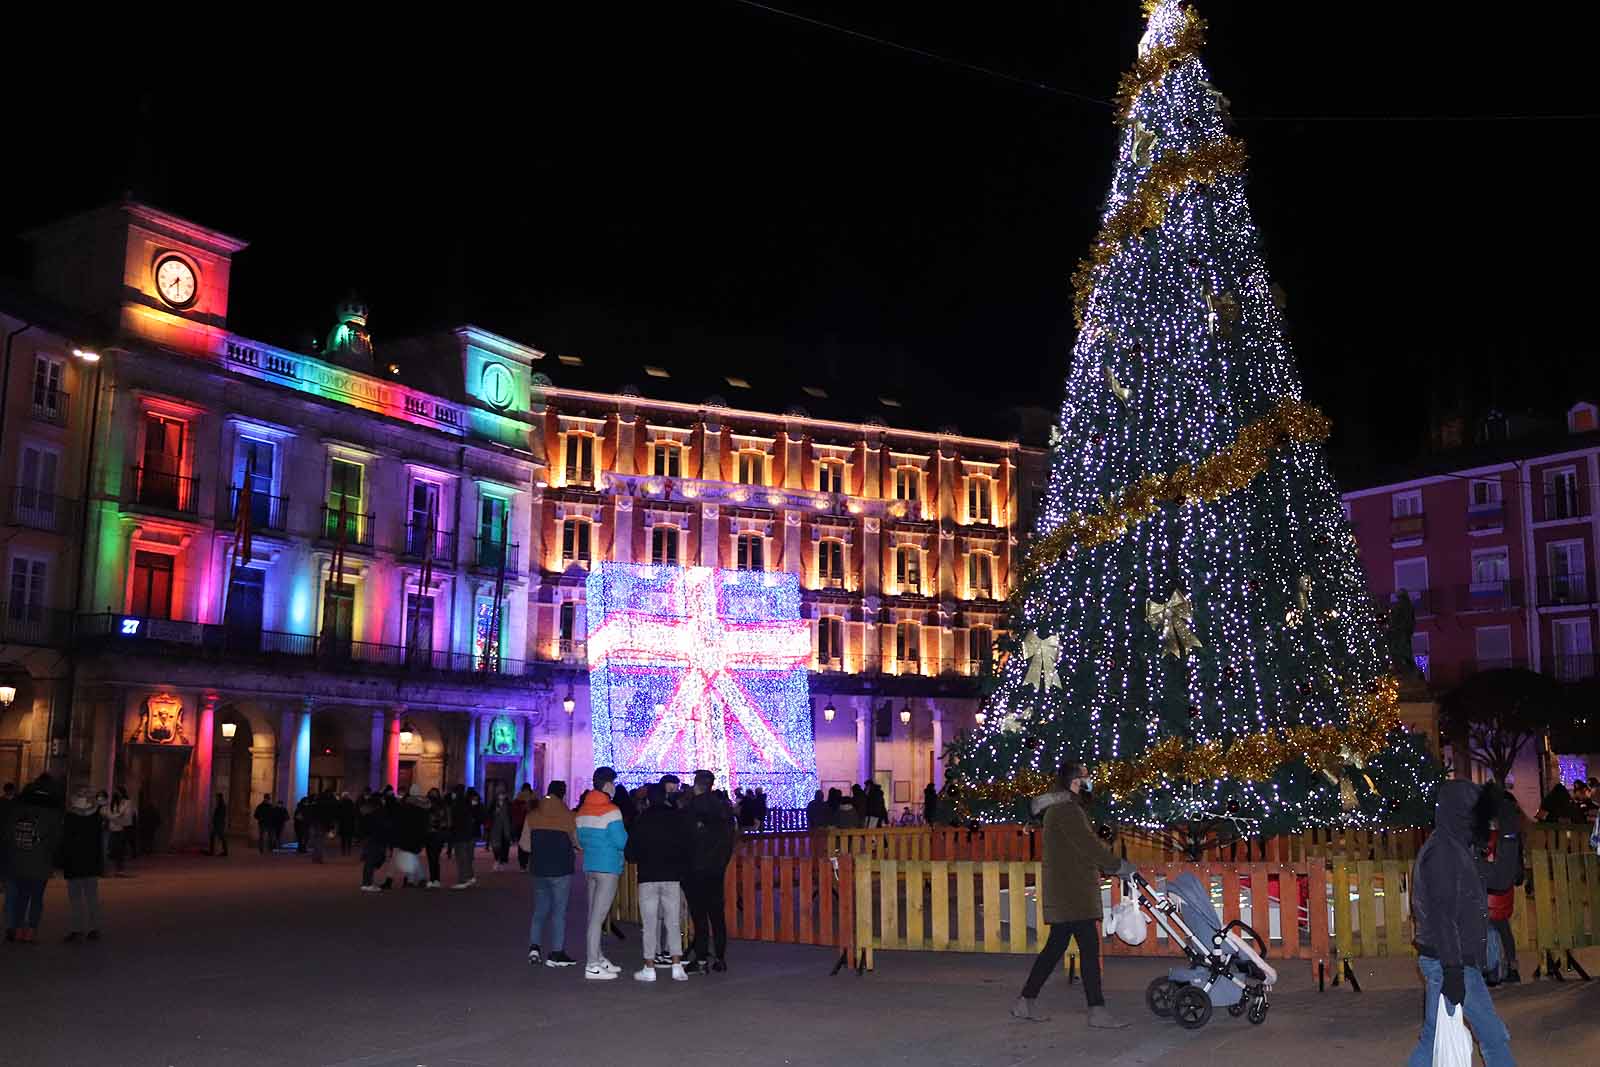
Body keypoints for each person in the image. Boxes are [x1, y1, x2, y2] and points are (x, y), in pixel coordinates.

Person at [1012, 761, 1135, 1028]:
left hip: (1067, 891)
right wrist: (1117, 866)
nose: (1090, 781)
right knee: (1089, 949)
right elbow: (1088, 846)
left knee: (1056, 947)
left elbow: (1079, 848)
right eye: (1086, 777)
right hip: (1072, 893)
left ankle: (1025, 1001)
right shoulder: (1067, 811)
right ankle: (1097, 1010)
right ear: (1075, 782)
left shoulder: (1064, 809)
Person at [1406, 779, 1515, 1067]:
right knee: (1493, 1037)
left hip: (1449, 960)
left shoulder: (1459, 847)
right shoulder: (1442, 851)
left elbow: (1502, 878)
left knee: (1432, 1041)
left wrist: (1510, 833)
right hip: (1449, 961)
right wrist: (1453, 971)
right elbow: (1443, 916)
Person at [626, 782, 693, 982]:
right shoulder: (677, 818)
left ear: (647, 800)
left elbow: (631, 853)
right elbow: (685, 846)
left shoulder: (641, 820)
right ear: (665, 797)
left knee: (649, 923)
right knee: (673, 921)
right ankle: (676, 965)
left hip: (648, 876)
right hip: (672, 876)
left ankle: (649, 967)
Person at [576, 767, 628, 980]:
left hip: (590, 866)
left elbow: (580, 842)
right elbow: (621, 841)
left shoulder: (582, 811)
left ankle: (598, 956)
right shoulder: (612, 810)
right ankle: (592, 964)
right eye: (613, 783)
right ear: (607, 785)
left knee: (593, 916)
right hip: (608, 867)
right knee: (598, 918)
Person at [684, 769, 736, 973]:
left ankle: (702, 958)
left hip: (696, 869)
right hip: (716, 870)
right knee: (717, 915)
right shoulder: (723, 810)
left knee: (699, 916)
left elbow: (687, 840)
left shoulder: (692, 808)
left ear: (696, 785)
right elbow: (729, 841)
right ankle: (721, 958)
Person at [3, 774, 65, 942]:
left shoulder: (18, 807)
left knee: (21, 896)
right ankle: (31, 930)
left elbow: (7, 835)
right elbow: (57, 840)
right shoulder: (53, 811)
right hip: (41, 861)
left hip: (18, 859)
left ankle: (17, 929)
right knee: (36, 898)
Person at [524, 780, 580, 968]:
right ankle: (556, 953)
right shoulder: (568, 816)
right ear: (563, 794)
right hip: (561, 869)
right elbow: (577, 843)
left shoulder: (532, 816)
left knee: (539, 911)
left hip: (539, 868)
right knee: (559, 912)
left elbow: (525, 845)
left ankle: (534, 948)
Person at [1485, 786, 1524, 986]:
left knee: (1488, 926)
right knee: (1502, 927)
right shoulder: (1512, 831)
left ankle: (1491, 969)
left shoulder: (1490, 833)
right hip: (1505, 884)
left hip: (1490, 885)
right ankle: (1511, 966)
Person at [60, 787, 105, 940]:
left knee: (75, 899)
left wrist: (63, 862)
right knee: (92, 897)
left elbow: (64, 843)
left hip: (73, 863)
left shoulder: (69, 818)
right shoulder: (96, 819)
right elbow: (99, 844)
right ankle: (94, 928)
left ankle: (77, 929)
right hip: (91, 863)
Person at [450, 786, 483, 888]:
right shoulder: (466, 804)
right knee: (467, 857)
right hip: (467, 834)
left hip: (461, 834)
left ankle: (463, 880)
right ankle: (469, 876)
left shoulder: (458, 804)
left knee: (462, 858)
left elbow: (456, 821)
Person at [358, 792, 390, 892]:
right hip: (375, 839)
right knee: (371, 861)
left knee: (369, 861)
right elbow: (381, 826)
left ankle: (366, 883)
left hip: (369, 838)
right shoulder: (377, 813)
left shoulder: (366, 812)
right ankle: (367, 883)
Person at [425, 787, 450, 888]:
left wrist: (438, 825)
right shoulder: (426, 805)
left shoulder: (442, 806)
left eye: (434, 794)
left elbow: (444, 820)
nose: (433, 796)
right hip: (429, 834)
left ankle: (436, 879)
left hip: (438, 834)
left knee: (435, 857)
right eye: (431, 794)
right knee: (430, 857)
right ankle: (432, 879)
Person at [106, 788, 134, 875]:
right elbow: (110, 814)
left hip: (122, 828)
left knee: (120, 848)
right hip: (113, 828)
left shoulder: (127, 802)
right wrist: (114, 817)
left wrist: (114, 816)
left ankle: (119, 868)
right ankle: (115, 867)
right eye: (116, 793)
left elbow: (124, 814)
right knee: (113, 848)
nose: (117, 794)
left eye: (118, 793)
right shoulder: (112, 803)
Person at [488, 790, 514, 871]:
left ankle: (502, 862)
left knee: (505, 846)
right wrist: (494, 812)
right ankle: (496, 860)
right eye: (500, 795)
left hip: (506, 828)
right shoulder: (493, 804)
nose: (501, 796)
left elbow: (511, 816)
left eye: (503, 795)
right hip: (495, 828)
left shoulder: (509, 804)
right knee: (496, 846)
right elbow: (488, 814)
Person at [512, 784, 535, 871]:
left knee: (526, 844)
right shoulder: (518, 800)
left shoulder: (533, 800)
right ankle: (523, 864)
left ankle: (525, 864)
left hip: (526, 825)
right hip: (523, 825)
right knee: (523, 845)